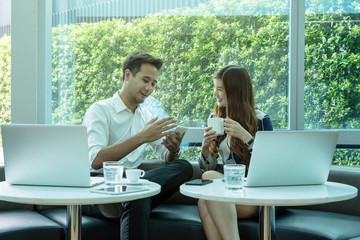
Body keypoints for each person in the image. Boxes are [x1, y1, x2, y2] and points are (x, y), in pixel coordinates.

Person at [83, 52, 193, 240]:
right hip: (99, 189)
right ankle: (129, 196)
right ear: (127, 75)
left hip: (131, 185)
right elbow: (95, 160)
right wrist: (141, 137)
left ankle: (128, 197)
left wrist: (173, 150)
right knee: (140, 196)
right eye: (145, 80)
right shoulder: (100, 110)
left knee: (183, 167)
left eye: (153, 84)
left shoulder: (145, 117)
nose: (149, 88)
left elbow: (166, 156)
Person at [197, 65, 273, 240]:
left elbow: (268, 166)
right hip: (229, 192)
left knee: (209, 182)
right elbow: (208, 166)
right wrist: (205, 147)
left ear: (235, 91)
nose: (215, 94)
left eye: (220, 89)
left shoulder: (260, 120)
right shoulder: (214, 118)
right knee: (205, 196)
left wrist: (245, 136)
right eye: (215, 88)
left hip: (255, 195)